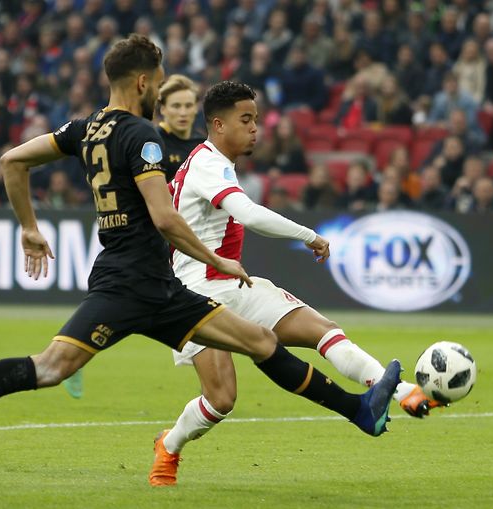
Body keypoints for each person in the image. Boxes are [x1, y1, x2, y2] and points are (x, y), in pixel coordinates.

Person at [0, 35, 401, 468]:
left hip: (160, 287)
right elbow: (165, 218)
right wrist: (216, 259)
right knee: (51, 368)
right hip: (129, 284)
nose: (160, 88)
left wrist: (29, 227)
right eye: (158, 81)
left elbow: (11, 161)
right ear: (142, 82)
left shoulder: (85, 128)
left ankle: (360, 410)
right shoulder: (142, 135)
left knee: (261, 341)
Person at [149, 81, 435, 487]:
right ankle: (169, 446)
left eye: (256, 119)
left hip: (236, 285)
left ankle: (400, 392)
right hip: (197, 294)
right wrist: (308, 235)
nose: (255, 128)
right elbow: (247, 213)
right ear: (218, 124)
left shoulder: (213, 162)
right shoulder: (207, 163)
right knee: (221, 399)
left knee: (323, 330)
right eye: (245, 120)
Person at [155, 74, 205, 181]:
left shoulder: (203, 145)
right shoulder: (153, 142)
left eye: (188, 106)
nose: (183, 113)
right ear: (163, 109)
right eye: (176, 106)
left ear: (196, 108)